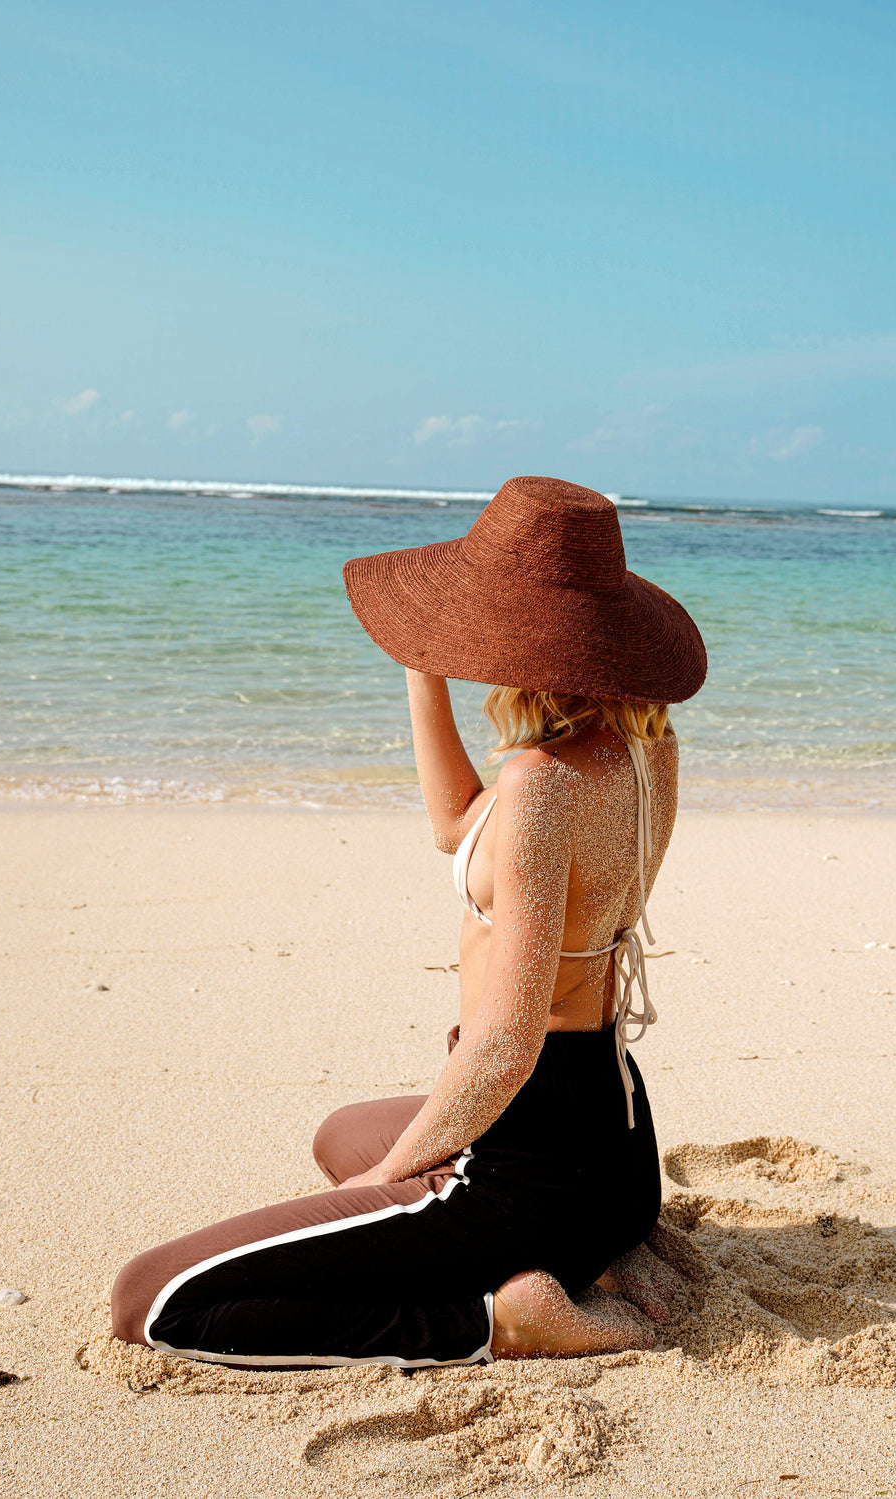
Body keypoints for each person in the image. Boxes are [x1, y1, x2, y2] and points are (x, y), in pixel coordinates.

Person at [110, 475, 707, 1369]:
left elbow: (505, 1044)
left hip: (528, 1153)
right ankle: (599, 1250)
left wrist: (386, 1183)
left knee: (152, 1300)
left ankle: (500, 1322)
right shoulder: (647, 750)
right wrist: (421, 662)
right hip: (613, 1146)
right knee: (340, 1133)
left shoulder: (541, 783)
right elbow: (454, 826)